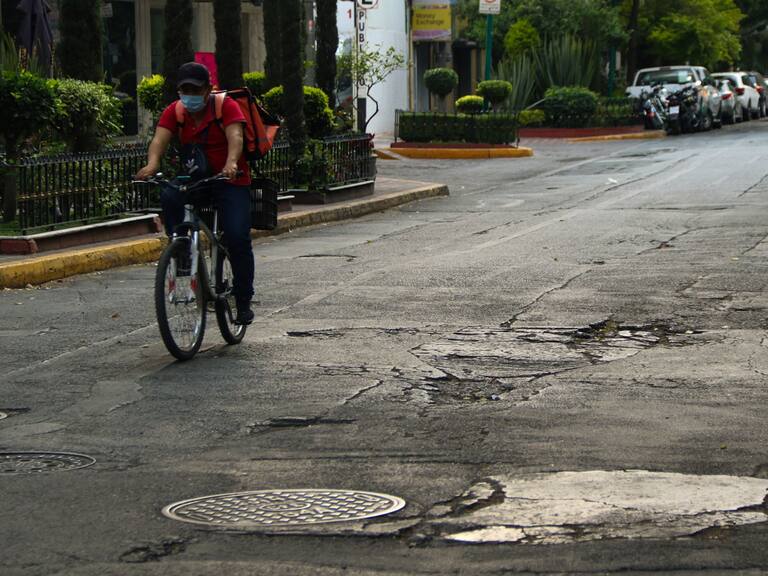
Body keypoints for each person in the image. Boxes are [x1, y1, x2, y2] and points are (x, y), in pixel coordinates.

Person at [136, 62, 254, 325]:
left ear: (208, 89)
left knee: (236, 236)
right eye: (184, 90)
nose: (189, 95)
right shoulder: (175, 112)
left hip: (229, 179)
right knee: (169, 194)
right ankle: (179, 247)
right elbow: (159, 140)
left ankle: (243, 299)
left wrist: (232, 163)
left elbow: (236, 137)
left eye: (195, 90)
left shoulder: (226, 107)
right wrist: (152, 164)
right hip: (196, 179)